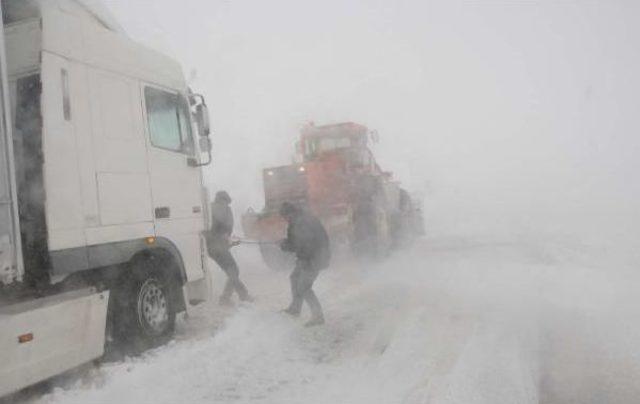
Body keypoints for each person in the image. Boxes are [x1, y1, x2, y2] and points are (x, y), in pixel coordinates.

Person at [279, 202, 331, 327]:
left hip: (314, 258)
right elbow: (295, 241)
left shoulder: (303, 223)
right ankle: (295, 308)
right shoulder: (296, 221)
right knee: (294, 277)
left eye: (285, 216)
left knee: (304, 287)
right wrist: (285, 243)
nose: (285, 219)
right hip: (306, 257)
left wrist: (286, 246)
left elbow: (304, 244)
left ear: (291, 213)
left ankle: (318, 316)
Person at [207, 190, 251, 305]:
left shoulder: (209, 208)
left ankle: (230, 297)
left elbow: (213, 230)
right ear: (224, 200)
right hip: (218, 246)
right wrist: (226, 237)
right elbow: (223, 229)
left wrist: (229, 240)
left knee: (231, 271)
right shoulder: (224, 209)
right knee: (233, 270)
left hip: (211, 248)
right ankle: (238, 296)